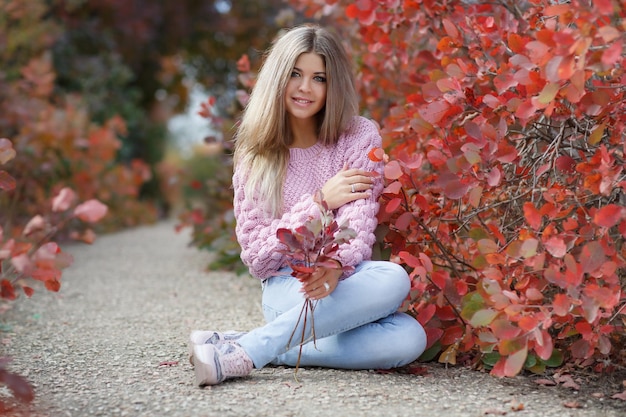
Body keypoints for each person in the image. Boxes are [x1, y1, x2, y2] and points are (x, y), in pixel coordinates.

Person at [189, 24, 427, 386]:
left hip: (345, 280)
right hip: (287, 288)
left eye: (319, 78)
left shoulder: (358, 136)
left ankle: (252, 345)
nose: (305, 88)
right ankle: (250, 352)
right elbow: (258, 256)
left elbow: (358, 221)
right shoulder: (256, 155)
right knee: (393, 304)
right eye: (295, 74)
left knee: (407, 328)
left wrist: (334, 266)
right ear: (278, 78)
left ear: (333, 86)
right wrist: (319, 203)